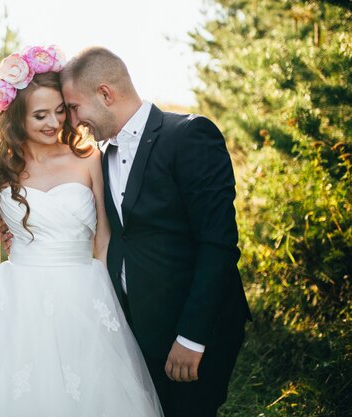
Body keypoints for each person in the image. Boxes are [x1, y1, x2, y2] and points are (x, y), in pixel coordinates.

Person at [0, 46, 164, 417]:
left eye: (60, 111)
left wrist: (119, 306)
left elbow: (105, 241)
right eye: (40, 115)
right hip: (16, 301)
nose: (53, 122)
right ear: (17, 118)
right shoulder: (0, 174)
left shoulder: (89, 159)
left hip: (84, 295)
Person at [54, 46, 252, 417]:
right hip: (135, 330)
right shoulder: (99, 155)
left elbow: (218, 244)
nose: (74, 121)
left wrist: (192, 337)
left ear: (105, 94)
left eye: (75, 108)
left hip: (194, 329)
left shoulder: (190, 136)